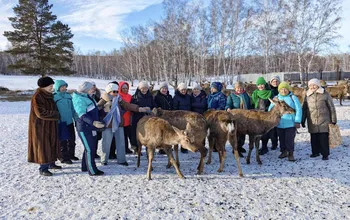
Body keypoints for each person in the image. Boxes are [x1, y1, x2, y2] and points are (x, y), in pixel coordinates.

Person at [98, 83, 146, 166]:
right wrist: (103, 110)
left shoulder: (118, 99)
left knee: (121, 142)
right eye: (114, 91)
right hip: (108, 124)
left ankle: (121, 160)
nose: (116, 93)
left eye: (117, 91)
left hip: (118, 123)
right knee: (106, 143)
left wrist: (139, 108)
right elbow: (96, 109)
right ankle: (104, 160)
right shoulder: (103, 99)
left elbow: (127, 105)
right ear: (109, 92)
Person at [28, 76, 61, 176]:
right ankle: (43, 168)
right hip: (40, 127)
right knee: (43, 146)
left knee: (51, 143)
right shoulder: (38, 96)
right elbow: (41, 113)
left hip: (50, 125)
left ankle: (51, 163)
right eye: (50, 85)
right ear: (44, 86)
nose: (52, 87)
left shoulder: (48, 95)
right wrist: (56, 114)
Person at [72, 81, 105, 176]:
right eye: (91, 88)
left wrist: (103, 111)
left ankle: (85, 166)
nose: (94, 89)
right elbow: (82, 115)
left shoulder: (88, 96)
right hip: (84, 127)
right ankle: (93, 170)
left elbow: (93, 109)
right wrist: (93, 122)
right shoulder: (79, 99)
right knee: (90, 149)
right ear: (86, 90)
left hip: (91, 126)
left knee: (89, 147)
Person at [302, 78, 337, 160]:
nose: (312, 87)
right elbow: (304, 109)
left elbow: (331, 107)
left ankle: (325, 154)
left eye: (314, 85)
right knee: (314, 138)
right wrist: (302, 120)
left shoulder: (325, 94)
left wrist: (333, 120)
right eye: (310, 85)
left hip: (324, 120)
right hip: (312, 120)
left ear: (318, 85)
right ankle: (315, 152)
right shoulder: (307, 95)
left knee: (323, 138)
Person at [268, 82, 302, 161]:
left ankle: (290, 153)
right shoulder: (276, 98)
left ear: (288, 89)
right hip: (279, 123)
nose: (283, 90)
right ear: (279, 90)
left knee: (289, 139)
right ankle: (283, 151)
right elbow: (270, 110)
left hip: (290, 123)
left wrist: (297, 121)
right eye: (281, 89)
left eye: (285, 89)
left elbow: (299, 110)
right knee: (281, 139)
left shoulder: (293, 97)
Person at [53, 79, 78, 164]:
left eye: (65, 86)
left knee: (71, 140)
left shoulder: (68, 96)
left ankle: (71, 154)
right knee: (62, 141)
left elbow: (72, 108)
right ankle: (63, 157)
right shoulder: (54, 97)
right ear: (57, 88)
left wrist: (75, 119)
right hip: (61, 122)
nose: (64, 88)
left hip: (69, 121)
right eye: (62, 87)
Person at [225, 81, 251, 157]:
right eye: (237, 88)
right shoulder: (231, 96)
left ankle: (240, 146)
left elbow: (249, 105)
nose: (239, 89)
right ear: (235, 88)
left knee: (243, 133)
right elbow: (228, 104)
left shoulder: (246, 95)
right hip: (235, 117)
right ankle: (235, 149)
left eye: (240, 88)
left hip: (244, 118)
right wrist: (228, 108)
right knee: (236, 134)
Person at [130, 81, 157, 153]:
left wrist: (153, 110)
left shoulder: (150, 96)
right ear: (139, 88)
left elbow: (154, 105)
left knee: (149, 133)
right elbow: (131, 108)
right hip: (138, 117)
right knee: (137, 133)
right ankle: (137, 148)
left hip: (148, 118)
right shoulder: (135, 97)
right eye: (142, 88)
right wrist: (140, 109)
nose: (144, 90)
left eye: (146, 88)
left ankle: (149, 148)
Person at [251, 77, 274, 155]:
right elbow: (253, 104)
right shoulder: (255, 93)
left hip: (266, 115)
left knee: (265, 133)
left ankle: (265, 147)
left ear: (265, 84)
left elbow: (273, 104)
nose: (260, 86)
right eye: (259, 84)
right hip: (257, 115)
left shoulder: (270, 93)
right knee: (258, 132)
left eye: (262, 84)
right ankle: (259, 146)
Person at [154, 82, 173, 155]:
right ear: (160, 89)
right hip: (161, 117)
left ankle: (169, 146)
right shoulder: (157, 97)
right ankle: (162, 148)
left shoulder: (170, 96)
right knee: (162, 133)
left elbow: (172, 106)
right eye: (163, 88)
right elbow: (156, 106)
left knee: (169, 132)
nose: (164, 90)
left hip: (169, 117)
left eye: (165, 88)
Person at [118, 81, 134, 154]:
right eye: (123, 88)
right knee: (123, 136)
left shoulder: (130, 96)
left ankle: (134, 147)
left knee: (130, 134)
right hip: (121, 118)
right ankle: (125, 148)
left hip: (129, 117)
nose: (125, 89)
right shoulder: (118, 96)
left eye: (126, 88)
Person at [90, 81, 102, 159]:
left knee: (97, 137)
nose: (94, 88)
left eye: (94, 86)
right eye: (92, 86)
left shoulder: (97, 95)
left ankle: (95, 152)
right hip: (90, 120)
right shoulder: (86, 96)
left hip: (97, 118)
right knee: (90, 137)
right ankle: (91, 152)